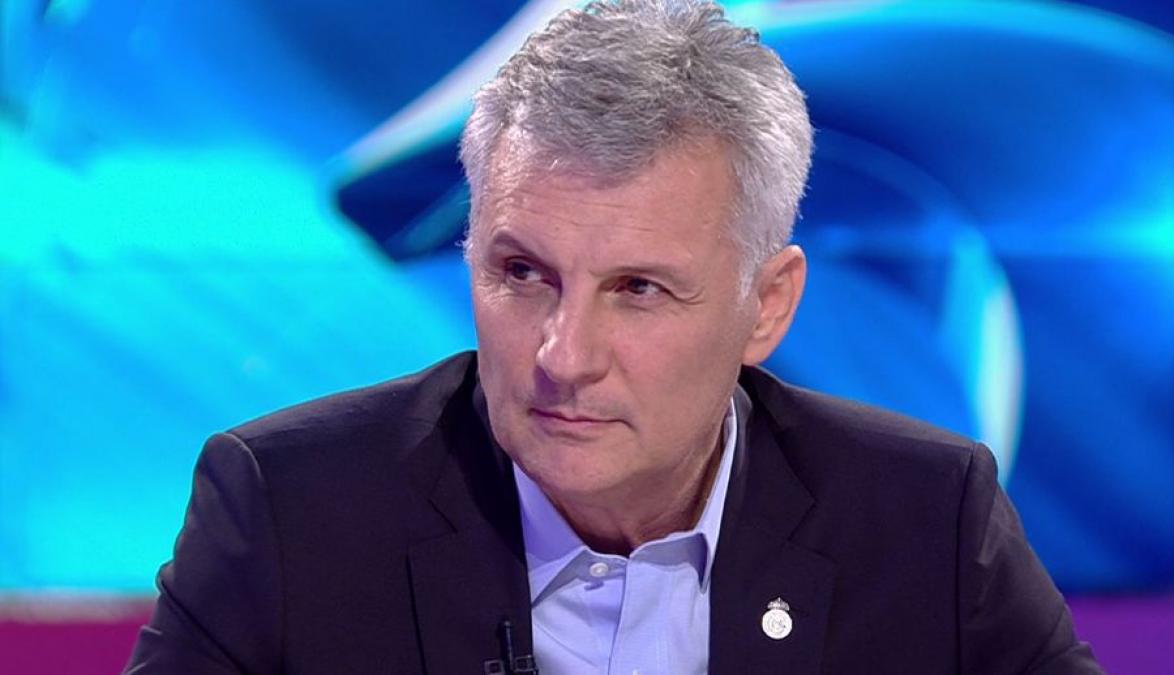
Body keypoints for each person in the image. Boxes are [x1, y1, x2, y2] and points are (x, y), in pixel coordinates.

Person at [125, 1, 1103, 673]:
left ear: (767, 306)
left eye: (637, 289)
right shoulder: (290, 510)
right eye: (522, 273)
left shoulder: (925, 520)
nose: (562, 357)